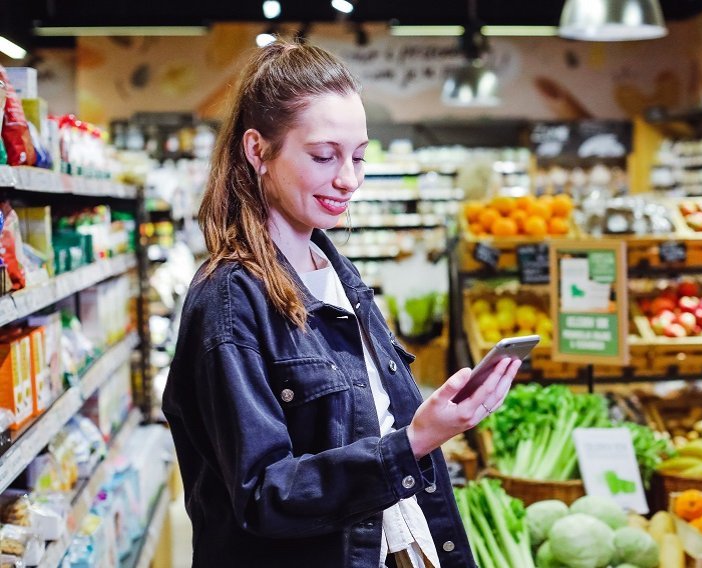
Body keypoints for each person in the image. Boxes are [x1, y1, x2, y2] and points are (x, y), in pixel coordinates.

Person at [162, 38, 521, 568]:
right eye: (323, 156)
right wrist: (417, 439)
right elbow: (265, 492)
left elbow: (361, 421)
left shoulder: (334, 270)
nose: (348, 180)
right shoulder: (231, 300)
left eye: (358, 157)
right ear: (257, 150)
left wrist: (436, 417)